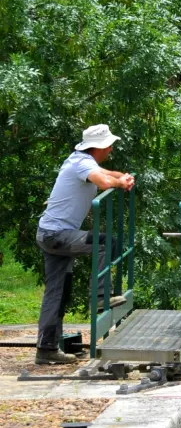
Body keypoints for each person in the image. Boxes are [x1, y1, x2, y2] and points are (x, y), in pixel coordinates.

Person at [35, 124, 135, 364]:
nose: (111, 148)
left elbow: (104, 172)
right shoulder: (81, 164)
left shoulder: (80, 160)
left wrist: (120, 176)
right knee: (105, 243)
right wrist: (120, 183)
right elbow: (102, 181)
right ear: (99, 147)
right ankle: (101, 296)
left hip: (51, 233)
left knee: (58, 293)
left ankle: (46, 349)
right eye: (109, 145)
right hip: (56, 235)